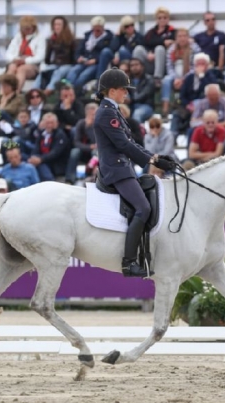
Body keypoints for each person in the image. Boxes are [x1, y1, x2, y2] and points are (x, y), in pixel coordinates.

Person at [93, 67, 175, 277]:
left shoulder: (113, 111)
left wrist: (155, 158)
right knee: (143, 208)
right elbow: (123, 144)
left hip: (124, 167)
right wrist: (151, 160)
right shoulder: (106, 113)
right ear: (112, 91)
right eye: (124, 90)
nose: (126, 93)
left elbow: (131, 144)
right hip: (116, 169)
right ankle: (129, 262)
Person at [34, 15, 75, 95]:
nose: (57, 27)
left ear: (64, 26)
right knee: (43, 72)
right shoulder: (52, 39)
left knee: (58, 72)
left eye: (59, 24)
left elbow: (72, 56)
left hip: (67, 64)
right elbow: (47, 57)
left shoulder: (70, 39)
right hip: (55, 64)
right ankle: (34, 89)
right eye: (55, 24)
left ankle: (49, 89)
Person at [5, 16, 45, 92]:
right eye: (24, 28)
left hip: (33, 65)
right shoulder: (18, 37)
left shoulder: (40, 38)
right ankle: (5, 92)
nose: (26, 31)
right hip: (17, 62)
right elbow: (8, 53)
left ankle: (15, 93)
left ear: (34, 28)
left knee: (22, 69)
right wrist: (14, 59)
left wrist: (25, 61)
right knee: (12, 68)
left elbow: (40, 57)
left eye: (28, 28)